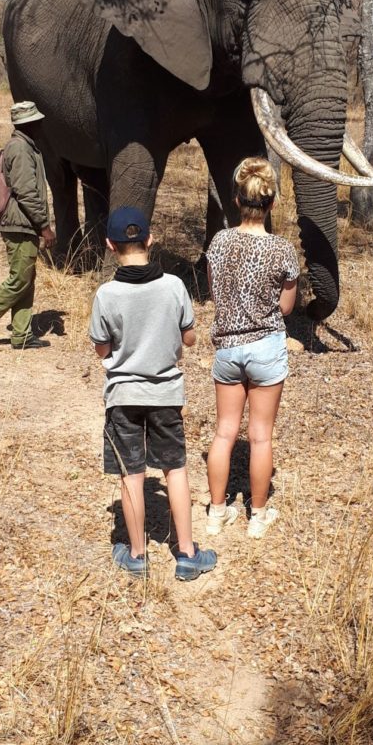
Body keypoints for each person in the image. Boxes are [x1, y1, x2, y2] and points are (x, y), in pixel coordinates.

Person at [89, 206, 217, 581]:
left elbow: (101, 348)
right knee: (175, 469)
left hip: (123, 397)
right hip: (166, 396)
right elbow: (190, 339)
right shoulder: (174, 286)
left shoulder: (106, 294)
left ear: (110, 245)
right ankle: (188, 554)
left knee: (131, 475)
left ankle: (137, 554)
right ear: (150, 239)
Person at [205, 157, 299, 539]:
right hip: (265, 347)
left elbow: (215, 295)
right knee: (260, 435)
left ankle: (215, 512)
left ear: (235, 200)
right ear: (272, 203)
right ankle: (257, 517)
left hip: (227, 348)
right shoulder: (282, 249)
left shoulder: (219, 241)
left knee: (224, 432)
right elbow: (287, 307)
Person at [0, 101, 55, 350]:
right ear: (29, 124)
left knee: (26, 279)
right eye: (37, 121)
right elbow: (26, 192)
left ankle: (22, 335)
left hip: (22, 224)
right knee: (18, 280)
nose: (41, 124)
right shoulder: (21, 149)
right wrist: (45, 227)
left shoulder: (23, 146)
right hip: (20, 224)